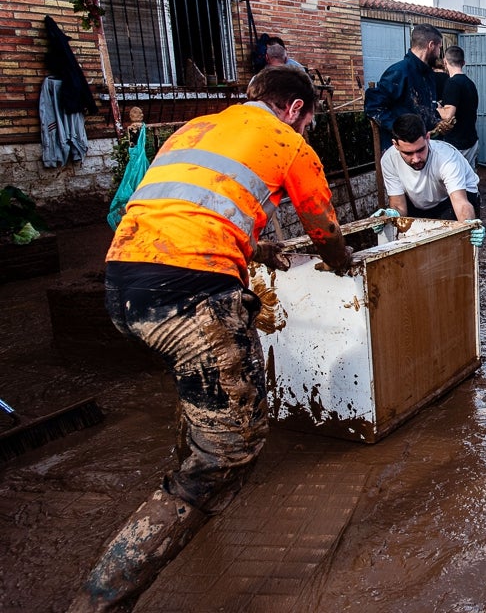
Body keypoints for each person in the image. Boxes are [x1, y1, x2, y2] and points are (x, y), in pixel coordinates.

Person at [70, 67, 354, 612]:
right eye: (310, 121)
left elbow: (192, 217)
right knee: (229, 452)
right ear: (295, 109)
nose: (308, 131)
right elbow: (325, 229)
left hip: (124, 287)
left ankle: (186, 467)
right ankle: (100, 599)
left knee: (200, 389)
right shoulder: (287, 143)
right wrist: (343, 267)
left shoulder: (194, 130)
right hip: (190, 299)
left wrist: (257, 250)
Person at [381, 114, 484, 239]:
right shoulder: (389, 160)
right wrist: (390, 216)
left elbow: (460, 202)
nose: (416, 159)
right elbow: (399, 206)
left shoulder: (446, 157)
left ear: (428, 138)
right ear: (395, 145)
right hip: (419, 203)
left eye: (420, 150)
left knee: (455, 243)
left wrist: (469, 226)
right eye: (408, 153)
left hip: (452, 200)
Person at [364, 23, 447, 150]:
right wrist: (402, 131)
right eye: (439, 48)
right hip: (402, 150)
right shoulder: (399, 72)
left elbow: (424, 109)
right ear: (431, 45)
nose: (439, 53)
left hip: (424, 147)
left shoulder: (429, 75)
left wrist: (437, 123)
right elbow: (373, 107)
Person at [437, 44, 480, 168]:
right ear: (464, 62)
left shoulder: (452, 83)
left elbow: (448, 116)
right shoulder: (470, 83)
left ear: (445, 62)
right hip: (471, 140)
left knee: (456, 181)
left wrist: (437, 107)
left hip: (457, 143)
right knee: (470, 181)